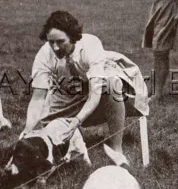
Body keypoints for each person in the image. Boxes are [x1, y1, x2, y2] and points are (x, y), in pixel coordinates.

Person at [22, 11, 149, 155]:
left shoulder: (91, 45)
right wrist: (28, 129)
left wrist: (78, 120)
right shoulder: (44, 55)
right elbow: (38, 98)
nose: (55, 47)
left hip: (96, 93)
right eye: (51, 42)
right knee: (50, 139)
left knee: (111, 84)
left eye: (60, 41)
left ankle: (116, 149)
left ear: (73, 38)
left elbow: (95, 94)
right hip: (66, 97)